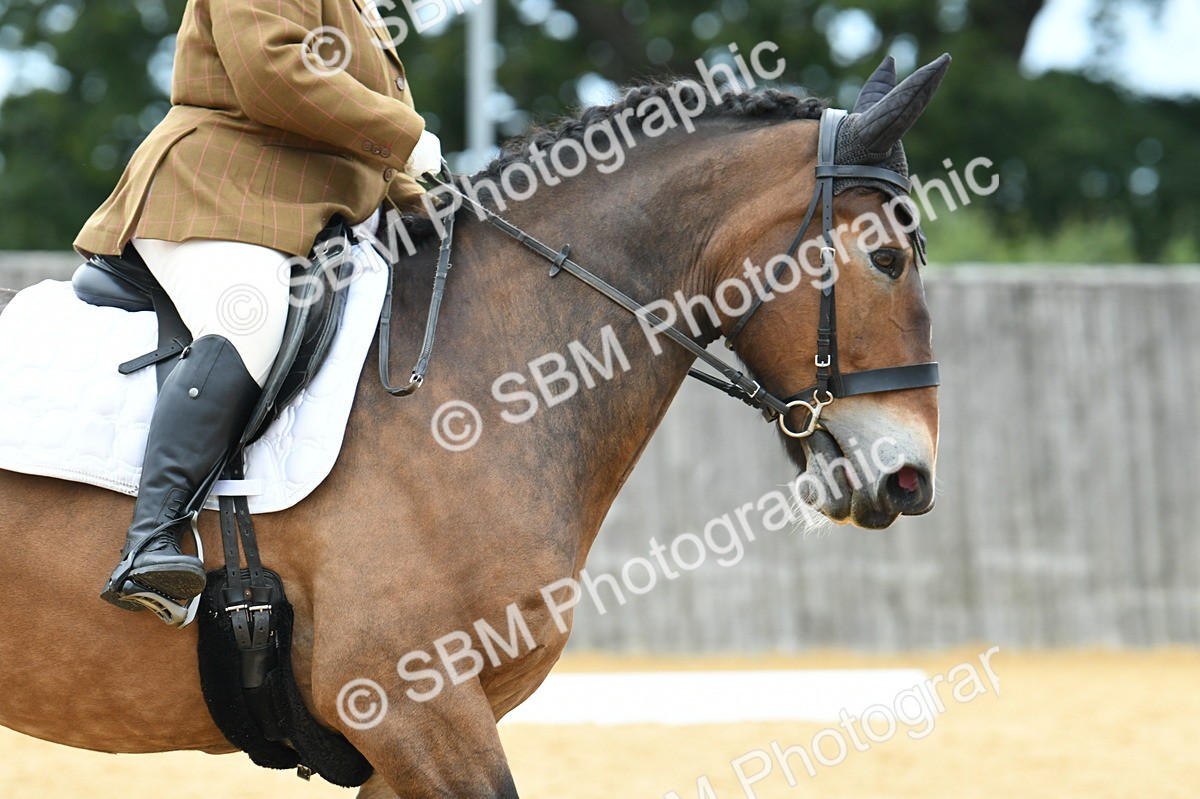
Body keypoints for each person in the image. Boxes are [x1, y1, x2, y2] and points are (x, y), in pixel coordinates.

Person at [73, 0, 441, 619]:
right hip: (220, 194)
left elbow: (361, 145)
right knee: (251, 317)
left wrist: (424, 201)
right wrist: (406, 139)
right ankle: (151, 540)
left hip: (307, 216)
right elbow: (272, 74)